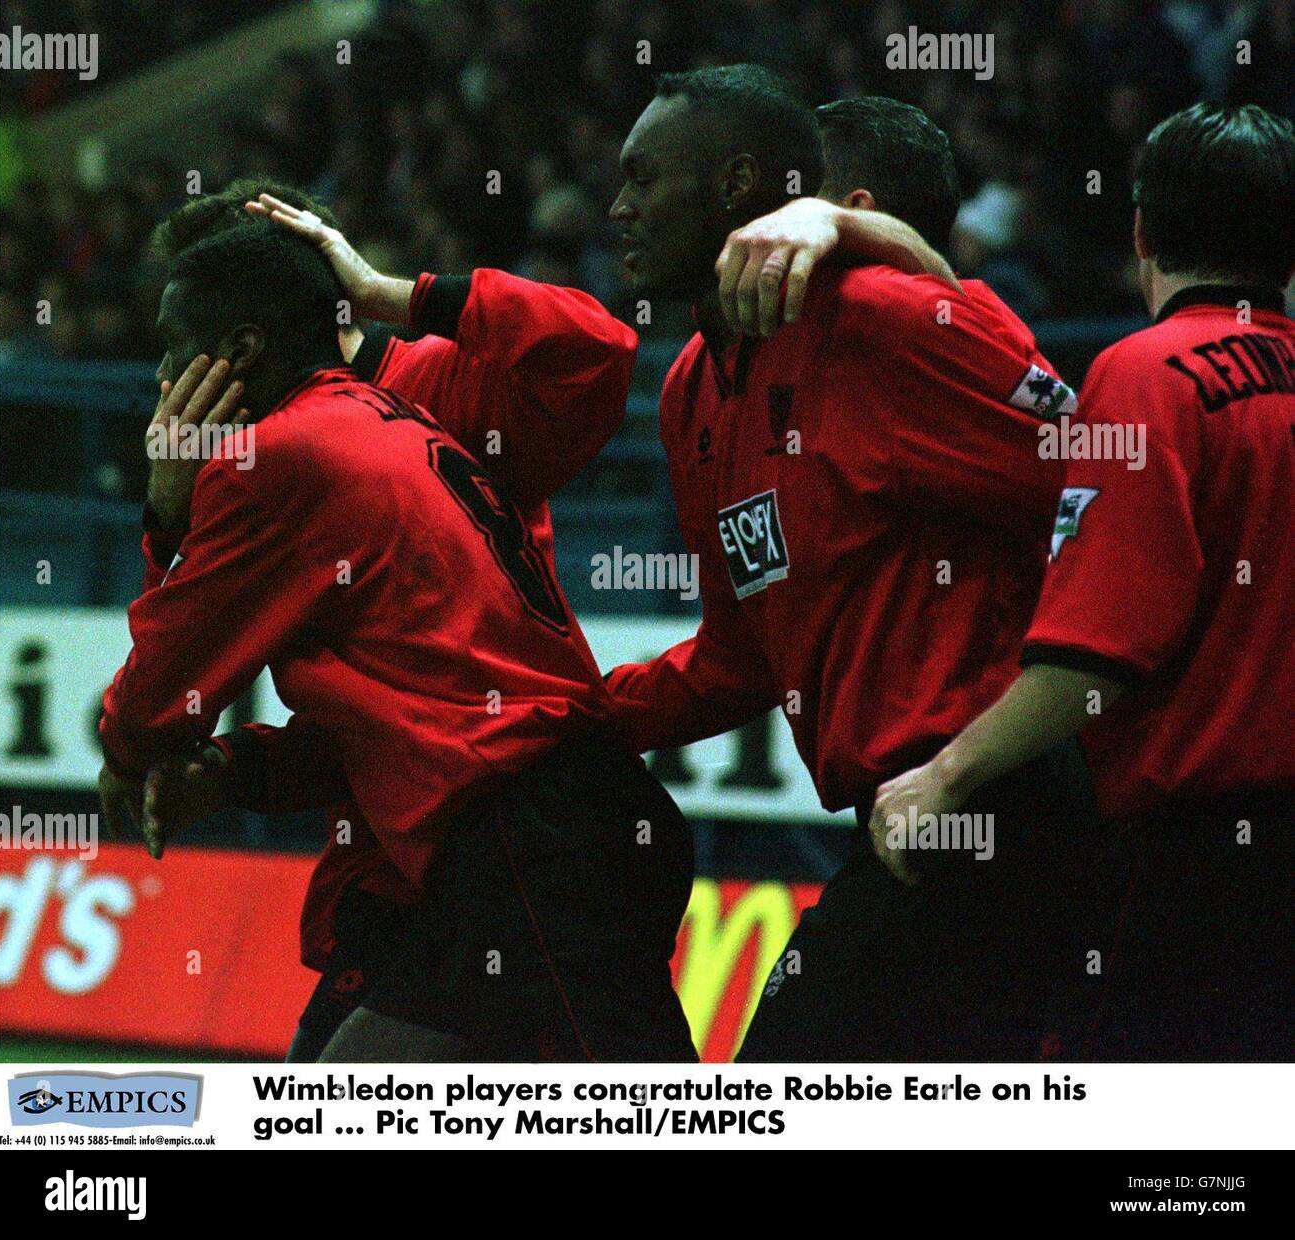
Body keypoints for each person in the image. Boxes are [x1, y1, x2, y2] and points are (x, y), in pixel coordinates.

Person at [97, 219, 697, 1063]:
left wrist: (166, 512)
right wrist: (238, 772)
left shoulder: (274, 457)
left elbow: (158, 699)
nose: (160, 378)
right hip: (548, 837)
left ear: (238, 346)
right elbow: (392, 721)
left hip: (529, 845)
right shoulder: (396, 417)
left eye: (171, 349)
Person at [606, 72, 1087, 1060]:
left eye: (644, 177)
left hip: (1000, 803)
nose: (618, 206)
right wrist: (561, 718)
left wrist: (908, 260)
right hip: (897, 822)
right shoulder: (693, 384)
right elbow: (739, 659)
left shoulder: (879, 319)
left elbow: (1104, 482)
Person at [868, 102, 1295, 1060]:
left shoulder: (1148, 374)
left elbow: (1098, 654)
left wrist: (943, 776)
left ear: (1140, 229)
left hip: (1194, 871)